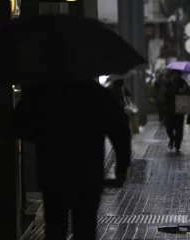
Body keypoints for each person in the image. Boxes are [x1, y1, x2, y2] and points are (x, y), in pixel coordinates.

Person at [13, 81, 131, 240]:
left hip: (53, 171)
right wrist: (122, 167)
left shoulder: (43, 92)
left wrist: (43, 137)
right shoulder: (96, 93)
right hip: (87, 173)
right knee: (85, 228)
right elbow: (120, 130)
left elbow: (18, 123)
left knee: (55, 227)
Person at [163, 70, 189, 151]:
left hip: (180, 109)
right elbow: (165, 95)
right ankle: (172, 139)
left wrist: (185, 91)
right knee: (169, 127)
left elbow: (188, 95)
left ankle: (177, 144)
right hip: (169, 109)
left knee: (179, 129)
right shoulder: (168, 83)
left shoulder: (183, 83)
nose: (175, 75)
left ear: (179, 74)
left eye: (177, 73)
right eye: (174, 73)